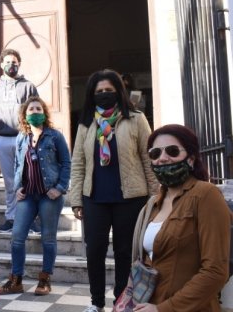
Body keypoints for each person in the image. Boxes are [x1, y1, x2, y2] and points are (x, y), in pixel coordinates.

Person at [69, 69, 159, 312]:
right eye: (99, 92)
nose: (104, 94)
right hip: (94, 198)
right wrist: (76, 199)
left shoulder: (136, 119)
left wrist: (155, 198)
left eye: (109, 90)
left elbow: (148, 158)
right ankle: (96, 302)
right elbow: (78, 162)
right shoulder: (86, 123)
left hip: (130, 198)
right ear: (92, 95)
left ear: (119, 91)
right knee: (94, 250)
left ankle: (122, 301)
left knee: (124, 252)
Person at [132, 124, 231, 312]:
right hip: (149, 303)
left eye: (172, 151)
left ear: (191, 159)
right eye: (155, 153)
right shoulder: (154, 203)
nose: (162, 158)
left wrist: (163, 308)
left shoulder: (205, 195)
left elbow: (215, 271)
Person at [0, 96, 71, 296]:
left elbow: (66, 163)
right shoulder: (22, 137)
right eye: (31, 110)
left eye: (38, 109)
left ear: (44, 113)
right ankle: (16, 279)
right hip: (27, 195)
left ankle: (45, 279)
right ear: (25, 114)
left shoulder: (55, 136)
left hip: (49, 196)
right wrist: (18, 187)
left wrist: (61, 187)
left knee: (48, 239)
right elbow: (18, 164)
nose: (35, 112)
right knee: (17, 237)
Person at [0, 48, 38, 232]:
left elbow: (36, 111)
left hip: (24, 138)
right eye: (7, 62)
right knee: (9, 182)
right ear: (1, 65)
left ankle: (30, 218)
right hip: (2, 140)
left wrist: (35, 137)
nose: (11, 65)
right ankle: (11, 218)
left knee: (28, 179)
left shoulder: (28, 86)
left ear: (19, 64)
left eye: (14, 62)